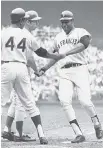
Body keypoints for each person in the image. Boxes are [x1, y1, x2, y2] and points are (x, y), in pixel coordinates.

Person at [1, 8, 64, 144]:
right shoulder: (27, 34)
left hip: (6, 66)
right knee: (29, 103)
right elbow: (41, 52)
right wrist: (55, 56)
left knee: (2, 102)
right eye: (24, 19)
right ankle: (41, 135)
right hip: (22, 67)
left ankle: (6, 129)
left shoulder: (3, 33)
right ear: (22, 20)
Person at [40, 10, 103, 143]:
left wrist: (66, 53)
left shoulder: (81, 31)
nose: (64, 24)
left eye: (66, 21)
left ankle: (97, 123)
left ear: (72, 21)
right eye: (62, 22)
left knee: (85, 101)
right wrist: (44, 68)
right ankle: (78, 133)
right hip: (64, 71)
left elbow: (83, 44)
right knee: (64, 101)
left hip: (80, 68)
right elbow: (56, 57)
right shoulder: (58, 37)